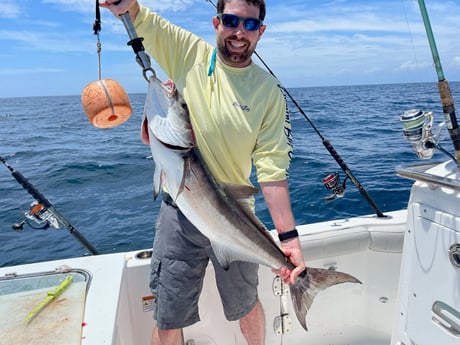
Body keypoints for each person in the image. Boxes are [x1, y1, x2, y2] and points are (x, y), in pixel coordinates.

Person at [101, 1, 306, 344]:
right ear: (216, 22)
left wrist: (289, 240)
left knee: (247, 307)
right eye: (230, 21)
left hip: (238, 216)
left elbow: (272, 170)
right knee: (168, 315)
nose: (239, 32)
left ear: (261, 31)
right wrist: (126, 4)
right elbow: (142, 19)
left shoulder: (269, 92)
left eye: (250, 25)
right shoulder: (189, 54)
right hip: (180, 212)